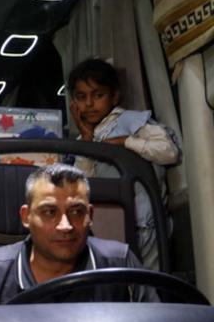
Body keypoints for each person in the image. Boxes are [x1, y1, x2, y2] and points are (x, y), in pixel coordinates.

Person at [0, 164, 159, 306]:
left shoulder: (119, 265)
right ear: (26, 216)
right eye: (49, 212)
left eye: (76, 212)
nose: (65, 226)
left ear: (90, 215)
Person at [68, 58, 179, 270]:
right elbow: (84, 184)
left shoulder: (132, 122)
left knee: (148, 281)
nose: (89, 104)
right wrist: (87, 142)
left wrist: (126, 142)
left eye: (98, 95)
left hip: (146, 225)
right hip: (109, 228)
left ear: (115, 96)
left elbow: (169, 151)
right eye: (81, 97)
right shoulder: (84, 140)